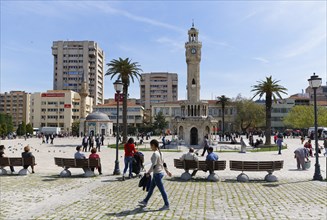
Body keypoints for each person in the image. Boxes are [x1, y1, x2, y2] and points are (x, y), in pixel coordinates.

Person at [139, 139, 170, 211]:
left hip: (157, 174)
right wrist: (167, 171)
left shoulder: (155, 154)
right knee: (151, 188)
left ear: (153, 145)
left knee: (162, 190)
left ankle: (167, 204)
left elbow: (154, 165)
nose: (150, 147)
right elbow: (163, 163)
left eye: (151, 146)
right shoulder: (161, 153)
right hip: (160, 172)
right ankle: (145, 201)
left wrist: (148, 173)